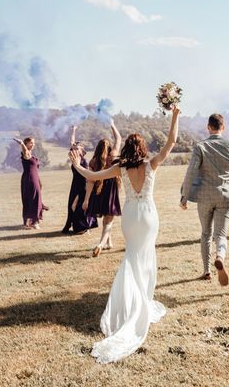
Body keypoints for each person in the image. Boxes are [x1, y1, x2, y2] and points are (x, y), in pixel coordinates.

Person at [69, 106, 180, 364]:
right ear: (142, 148)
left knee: (132, 258)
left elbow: (92, 175)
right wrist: (175, 116)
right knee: (146, 257)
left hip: (130, 217)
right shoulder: (152, 163)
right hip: (149, 216)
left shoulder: (120, 169)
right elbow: (171, 142)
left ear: (127, 150)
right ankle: (142, 302)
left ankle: (134, 304)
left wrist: (76, 164)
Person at [180, 113, 229, 286]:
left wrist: (184, 196)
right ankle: (220, 256)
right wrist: (226, 173)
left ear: (208, 127)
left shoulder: (200, 147)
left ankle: (206, 271)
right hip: (226, 195)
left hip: (204, 196)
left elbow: (191, 173)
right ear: (223, 127)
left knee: (206, 233)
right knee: (221, 234)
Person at [84, 122, 122, 254]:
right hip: (111, 190)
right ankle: (101, 244)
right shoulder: (114, 156)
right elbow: (118, 139)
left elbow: (89, 181)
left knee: (106, 219)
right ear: (109, 147)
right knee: (109, 220)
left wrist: (86, 199)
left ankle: (108, 242)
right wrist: (112, 124)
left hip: (98, 191)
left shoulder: (93, 161)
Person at [62, 126, 96, 234]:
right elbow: (72, 142)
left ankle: (85, 226)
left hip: (83, 185)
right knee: (72, 205)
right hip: (75, 184)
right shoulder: (73, 158)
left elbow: (87, 174)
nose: (75, 150)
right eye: (74, 148)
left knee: (78, 205)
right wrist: (73, 130)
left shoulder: (84, 161)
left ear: (82, 151)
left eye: (77, 149)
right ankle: (74, 225)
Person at [13, 137, 43, 229]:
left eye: (33, 143)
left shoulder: (31, 154)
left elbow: (35, 170)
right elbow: (25, 152)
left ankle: (29, 221)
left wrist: (39, 181)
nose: (33, 144)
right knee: (33, 199)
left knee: (34, 198)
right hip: (29, 180)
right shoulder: (26, 154)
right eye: (30, 143)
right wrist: (22, 144)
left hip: (34, 179)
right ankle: (34, 222)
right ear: (26, 144)